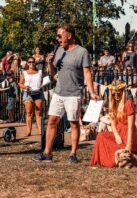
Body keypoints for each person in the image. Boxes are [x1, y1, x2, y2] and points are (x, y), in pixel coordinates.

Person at [32, 23, 99, 163]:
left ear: (69, 35)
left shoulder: (82, 52)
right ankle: (47, 153)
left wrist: (92, 92)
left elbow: (87, 73)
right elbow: (52, 74)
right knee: (52, 121)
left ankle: (73, 154)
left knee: (74, 123)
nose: (57, 38)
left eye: (59, 35)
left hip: (74, 93)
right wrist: (49, 63)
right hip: (58, 92)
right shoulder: (59, 51)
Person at [90, 80, 137, 167]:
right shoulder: (113, 104)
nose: (116, 95)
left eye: (118, 93)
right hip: (119, 133)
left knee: (116, 156)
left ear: (122, 92)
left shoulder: (128, 103)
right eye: (113, 94)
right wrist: (116, 135)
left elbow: (131, 126)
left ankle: (125, 156)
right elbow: (112, 123)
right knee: (100, 136)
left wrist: (129, 145)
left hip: (128, 135)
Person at [19, 57, 44, 136]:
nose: (31, 63)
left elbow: (43, 82)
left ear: (35, 63)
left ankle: (40, 130)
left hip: (38, 93)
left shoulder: (39, 72)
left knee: (38, 113)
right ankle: (29, 131)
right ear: (27, 63)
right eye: (29, 62)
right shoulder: (24, 72)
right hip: (28, 93)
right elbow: (20, 83)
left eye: (33, 62)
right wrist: (25, 87)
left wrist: (43, 84)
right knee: (29, 113)